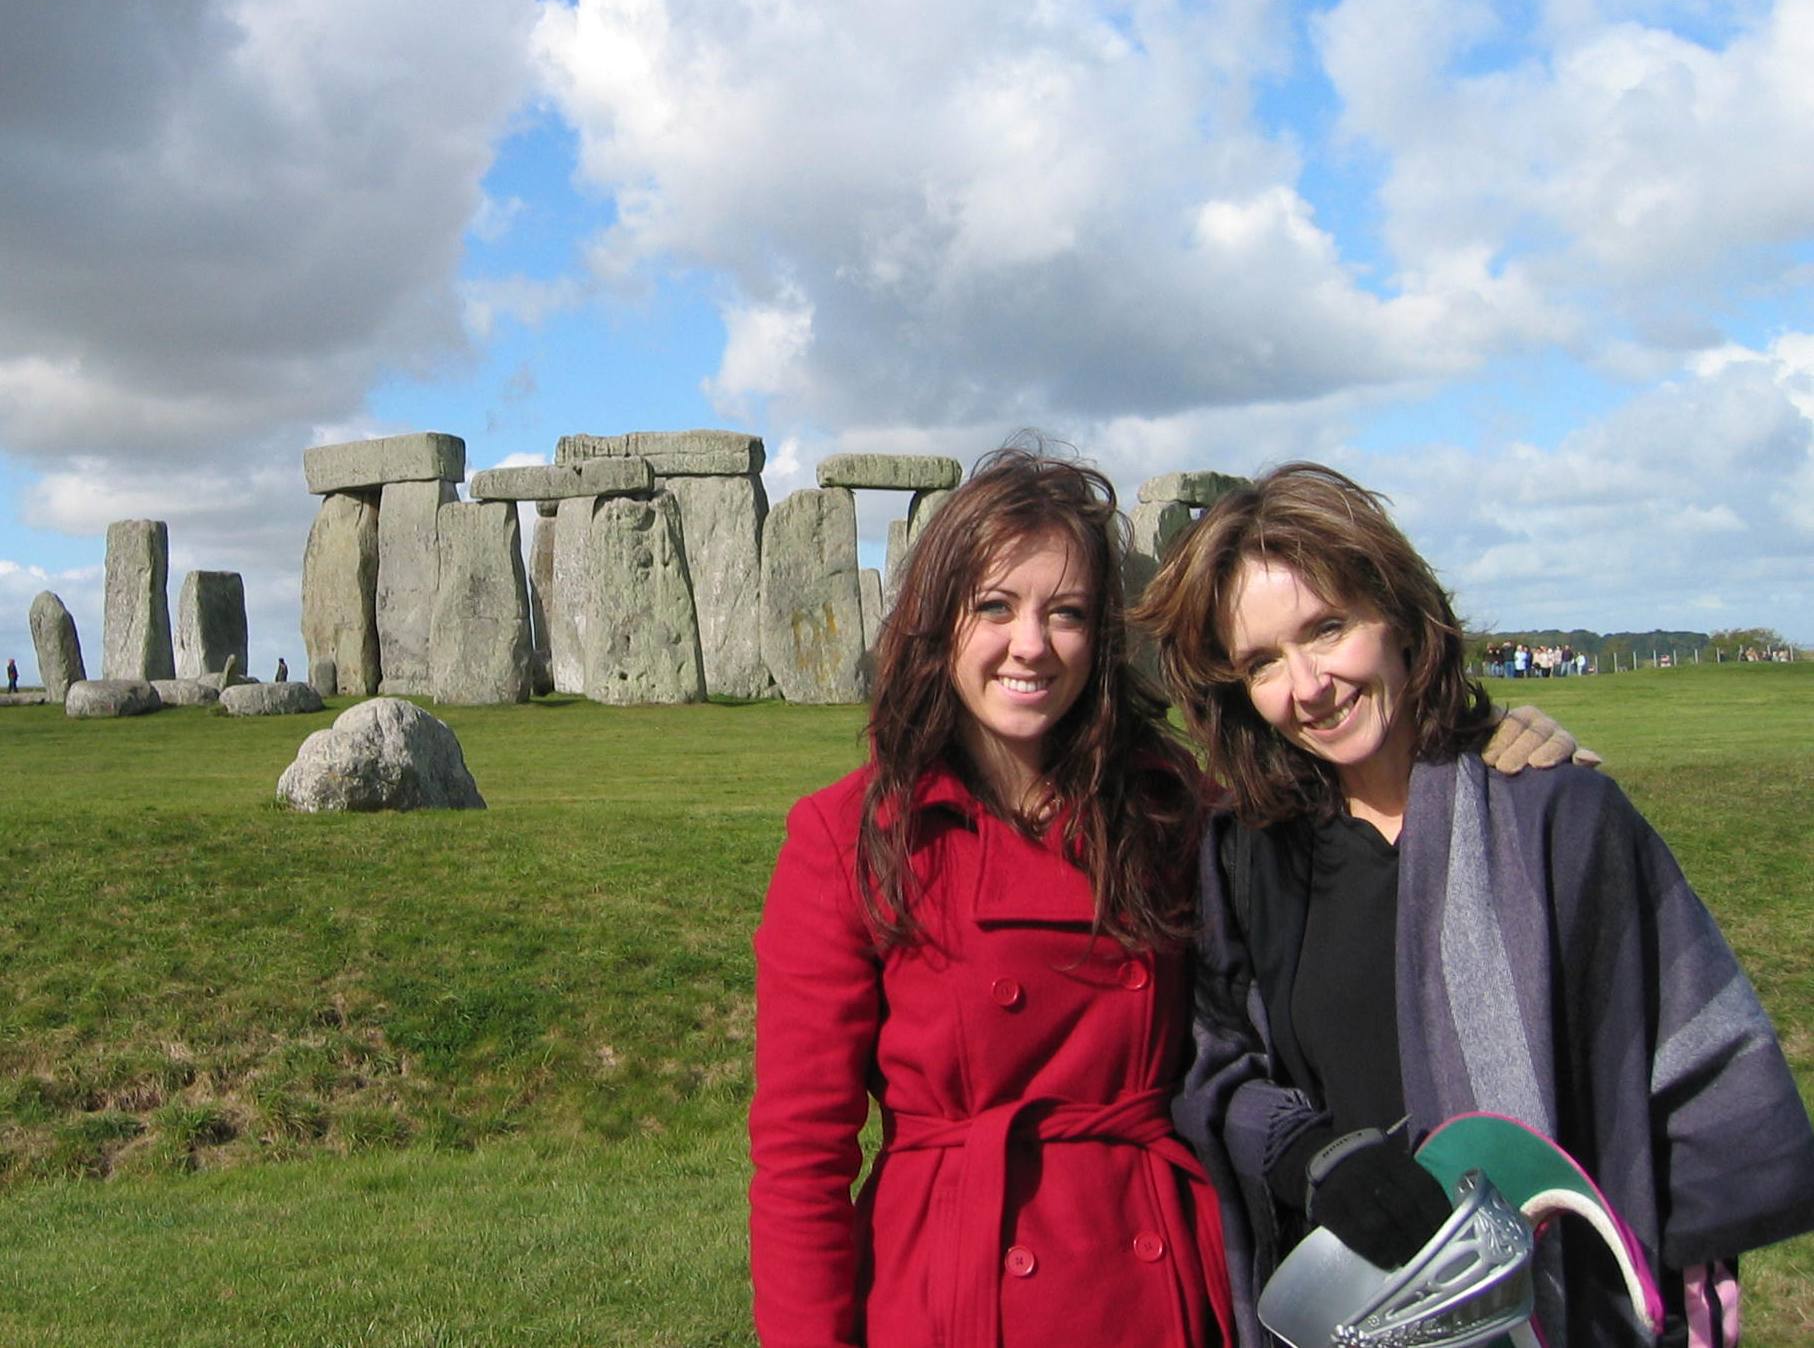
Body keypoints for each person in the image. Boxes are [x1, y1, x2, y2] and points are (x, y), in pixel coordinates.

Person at [1133, 462, 1814, 1347]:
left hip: (1570, 1306)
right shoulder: (1247, 854)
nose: (1307, 687)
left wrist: (1687, 1289)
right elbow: (1216, 1065)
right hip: (1363, 1312)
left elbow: (1685, 1061)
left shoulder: (1559, 817)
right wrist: (1313, 1157)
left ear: (1399, 613)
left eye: (1327, 629)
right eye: (1264, 662)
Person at [749, 448, 1236, 1348]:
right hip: (955, 1287)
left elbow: (1333, 851)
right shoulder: (851, 838)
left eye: (1068, 614)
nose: (1032, 646)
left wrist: (1482, 745)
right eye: (996, 607)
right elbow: (801, 1157)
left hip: (1155, 1284)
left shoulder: (1174, 810)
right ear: (939, 623)